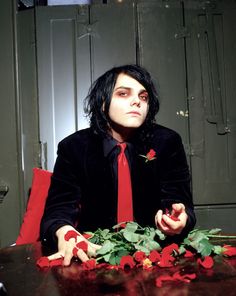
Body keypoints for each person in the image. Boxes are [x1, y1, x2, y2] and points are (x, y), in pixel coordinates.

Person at [40, 64, 196, 266]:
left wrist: (178, 220)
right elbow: (57, 212)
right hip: (94, 256)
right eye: (123, 94)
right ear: (103, 103)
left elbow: (182, 205)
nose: (136, 102)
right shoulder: (74, 148)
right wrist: (66, 233)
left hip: (155, 255)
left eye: (143, 96)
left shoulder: (167, 142)